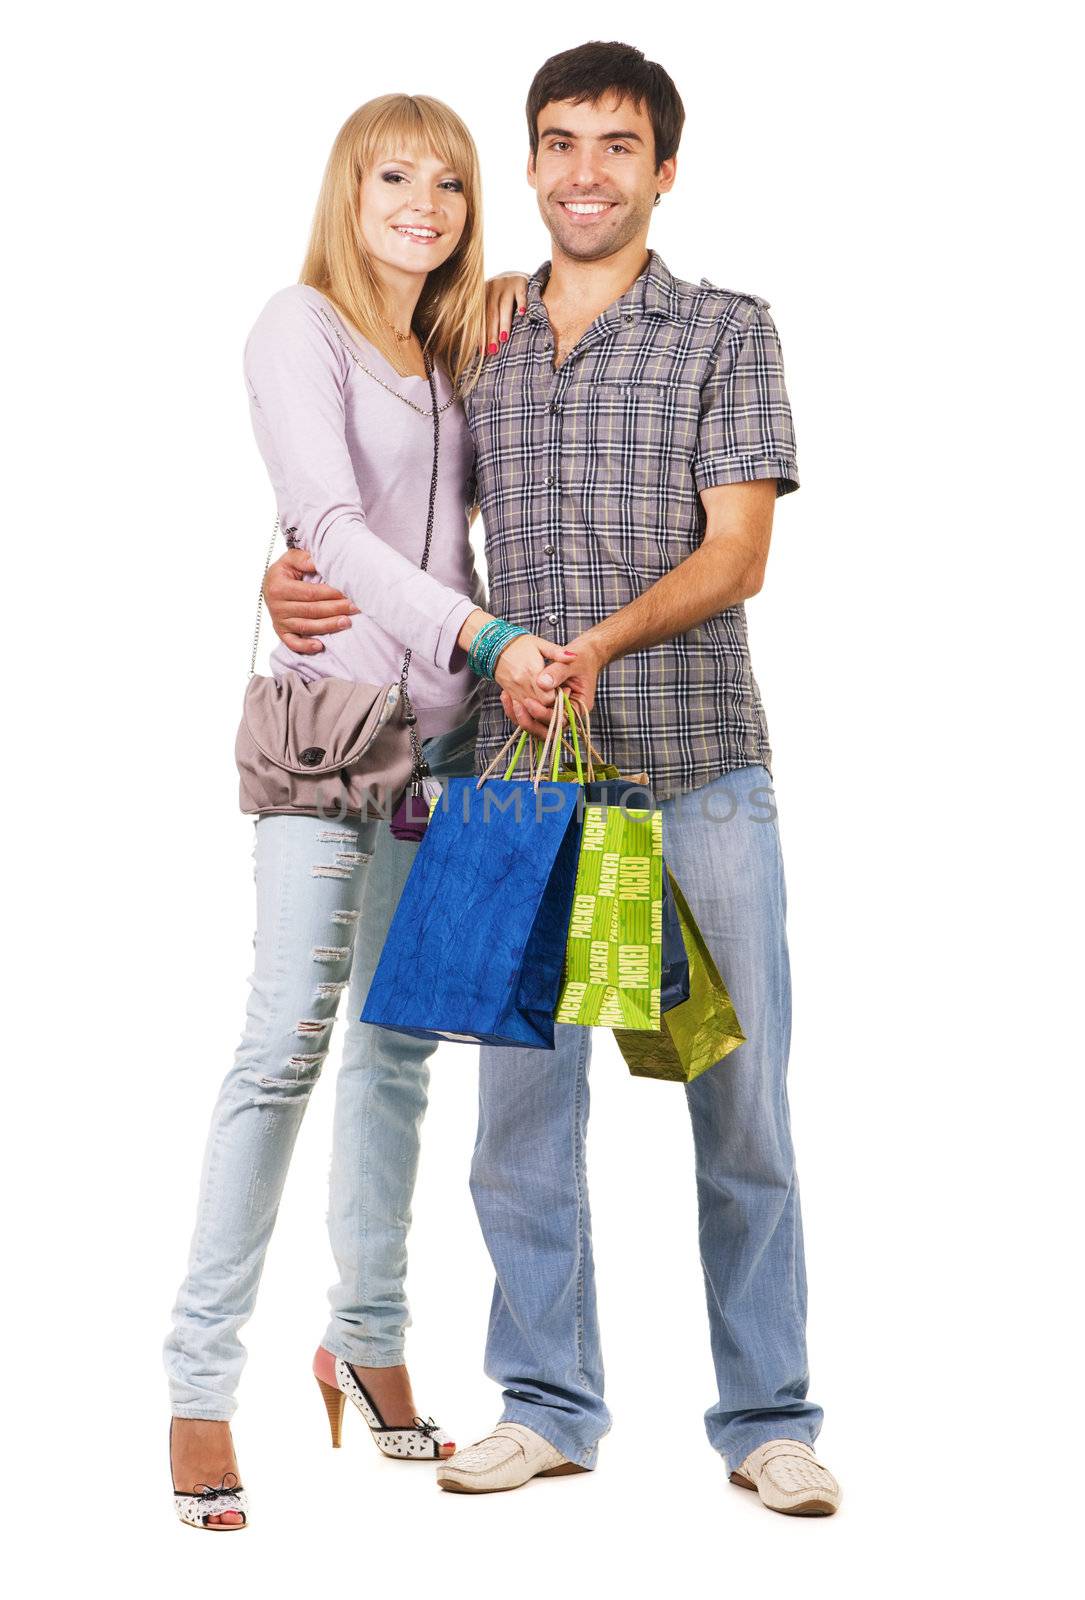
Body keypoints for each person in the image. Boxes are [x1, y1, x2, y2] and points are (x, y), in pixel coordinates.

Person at [266, 41, 841, 1518]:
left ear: (663, 170)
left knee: (735, 1103)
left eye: (618, 145)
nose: (586, 170)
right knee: (522, 1116)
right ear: (528, 166)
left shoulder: (727, 329)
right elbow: (386, 510)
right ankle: (546, 1402)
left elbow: (737, 555)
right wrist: (292, 570)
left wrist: (581, 643)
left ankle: (766, 1417)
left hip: (692, 773)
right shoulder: (481, 333)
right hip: (519, 784)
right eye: (560, 142)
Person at [165, 92, 569, 1531]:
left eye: (449, 182)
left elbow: (439, 526)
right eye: (394, 175)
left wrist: (472, 671)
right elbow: (326, 529)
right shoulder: (298, 326)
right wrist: (474, 636)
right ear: (348, 190)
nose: (424, 201)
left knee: (396, 1056)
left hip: (443, 755)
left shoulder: (453, 348)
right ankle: (200, 1386)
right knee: (282, 1043)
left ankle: (371, 1339)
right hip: (326, 744)